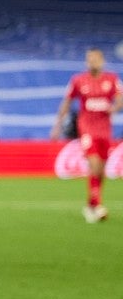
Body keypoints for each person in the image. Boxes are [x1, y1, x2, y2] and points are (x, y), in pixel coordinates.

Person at [51, 48, 122, 223]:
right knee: (94, 164)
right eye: (89, 59)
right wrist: (57, 125)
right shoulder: (78, 80)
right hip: (87, 128)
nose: (93, 62)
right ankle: (97, 206)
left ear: (102, 61)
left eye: (96, 59)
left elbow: (120, 97)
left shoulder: (111, 79)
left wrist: (114, 108)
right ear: (86, 62)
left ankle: (91, 204)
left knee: (102, 170)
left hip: (104, 129)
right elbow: (67, 102)